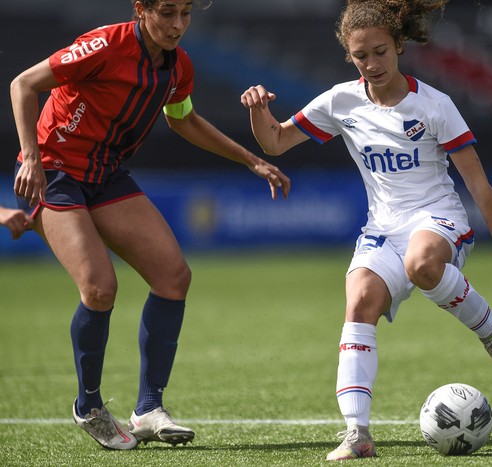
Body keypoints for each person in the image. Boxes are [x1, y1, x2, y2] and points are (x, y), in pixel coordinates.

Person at [241, 0, 492, 460]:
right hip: (382, 227)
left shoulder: (436, 105)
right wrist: (257, 110)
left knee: (421, 263)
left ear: (399, 45)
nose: (372, 64)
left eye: (380, 51)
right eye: (361, 56)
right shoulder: (341, 101)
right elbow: (275, 141)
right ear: (349, 56)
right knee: (358, 302)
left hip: (438, 217)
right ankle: (357, 435)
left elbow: (478, 184)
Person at [11, 0, 290, 451]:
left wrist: (251, 159)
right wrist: (31, 158)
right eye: (166, 13)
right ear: (141, 9)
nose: (177, 25)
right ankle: (90, 406)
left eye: (185, 13)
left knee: (173, 276)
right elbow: (23, 84)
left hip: (105, 175)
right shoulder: (104, 45)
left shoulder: (179, 66)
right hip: (57, 171)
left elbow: (183, 120)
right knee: (100, 288)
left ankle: (148, 409)